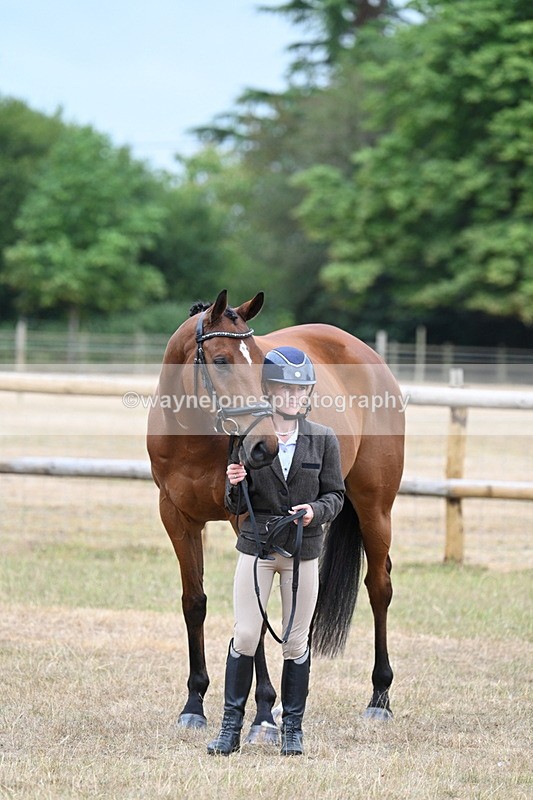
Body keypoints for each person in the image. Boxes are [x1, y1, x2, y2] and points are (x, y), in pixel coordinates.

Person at [207, 346, 345, 757]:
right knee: (246, 633)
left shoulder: (323, 440)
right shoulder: (249, 438)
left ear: (307, 396)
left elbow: (336, 495)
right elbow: (234, 506)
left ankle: (292, 729)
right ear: (267, 391)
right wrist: (234, 482)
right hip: (257, 548)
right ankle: (231, 727)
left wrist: (314, 512)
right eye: (283, 390)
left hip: (303, 553)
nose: (291, 398)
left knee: (295, 642)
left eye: (298, 391)